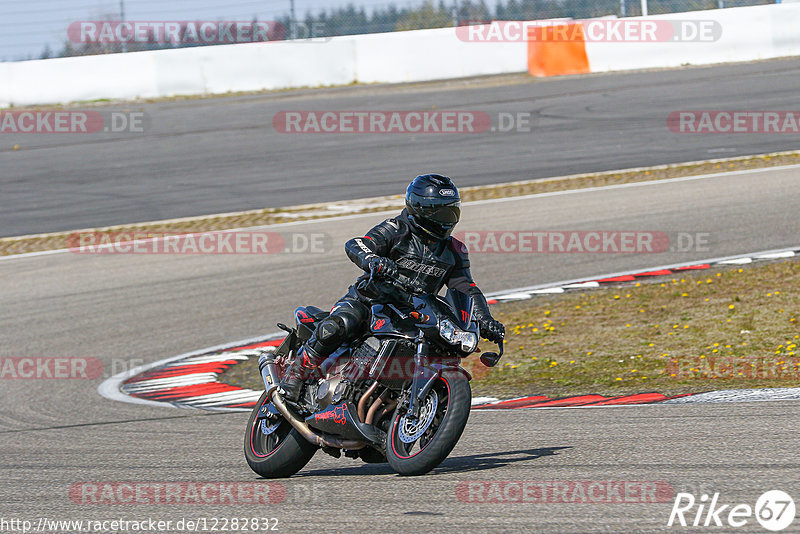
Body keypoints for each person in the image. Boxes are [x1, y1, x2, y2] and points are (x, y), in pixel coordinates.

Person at [280, 173, 505, 401]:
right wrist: (373, 260)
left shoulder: (455, 250)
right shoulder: (397, 229)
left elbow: (466, 288)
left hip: (414, 313)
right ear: (420, 209)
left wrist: (485, 320)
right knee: (340, 324)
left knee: (442, 347)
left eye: (451, 210)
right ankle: (296, 374)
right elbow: (358, 243)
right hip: (370, 300)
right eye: (438, 211)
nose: (446, 218)